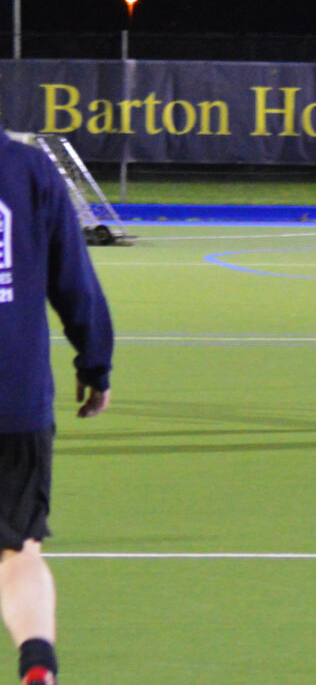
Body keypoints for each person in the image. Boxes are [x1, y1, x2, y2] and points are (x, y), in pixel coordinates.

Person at [0, 128, 114, 685]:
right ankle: (37, 664)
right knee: (18, 550)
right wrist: (95, 364)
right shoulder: (29, 168)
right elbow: (74, 280)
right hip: (13, 390)